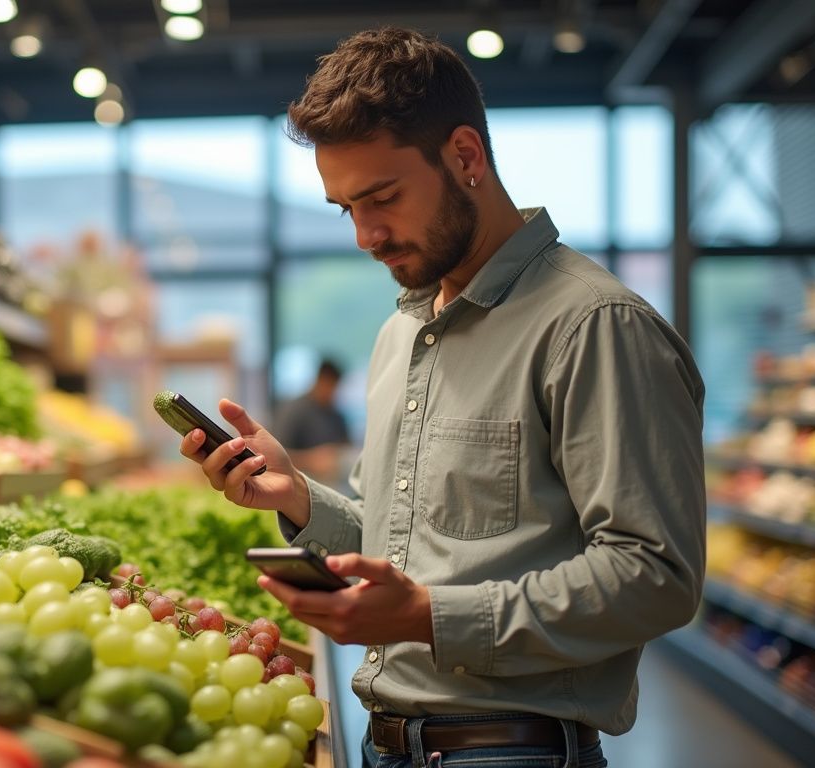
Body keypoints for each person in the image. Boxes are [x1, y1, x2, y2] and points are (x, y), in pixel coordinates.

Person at [178, 27, 705, 768]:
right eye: (344, 208)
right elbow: (404, 549)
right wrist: (296, 498)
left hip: (511, 752)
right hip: (384, 744)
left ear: (465, 157)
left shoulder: (595, 327)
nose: (365, 235)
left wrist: (430, 616)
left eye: (383, 197)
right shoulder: (404, 333)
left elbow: (656, 576)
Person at [272, 358, 351, 486]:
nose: (332, 392)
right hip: (298, 484)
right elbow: (275, 455)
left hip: (332, 485)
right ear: (320, 380)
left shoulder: (337, 416)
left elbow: (345, 450)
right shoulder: (294, 411)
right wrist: (311, 460)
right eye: (330, 385)